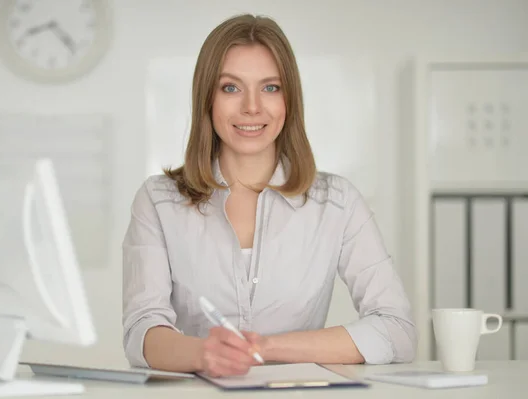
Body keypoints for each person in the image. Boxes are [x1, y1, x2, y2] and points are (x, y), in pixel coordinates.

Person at [122, 13, 417, 377]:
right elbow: (141, 331)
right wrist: (204, 355)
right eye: (230, 87)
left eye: (270, 87)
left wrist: (266, 346)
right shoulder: (158, 200)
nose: (251, 107)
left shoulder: (338, 203)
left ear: (289, 100)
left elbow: (397, 330)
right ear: (207, 99)